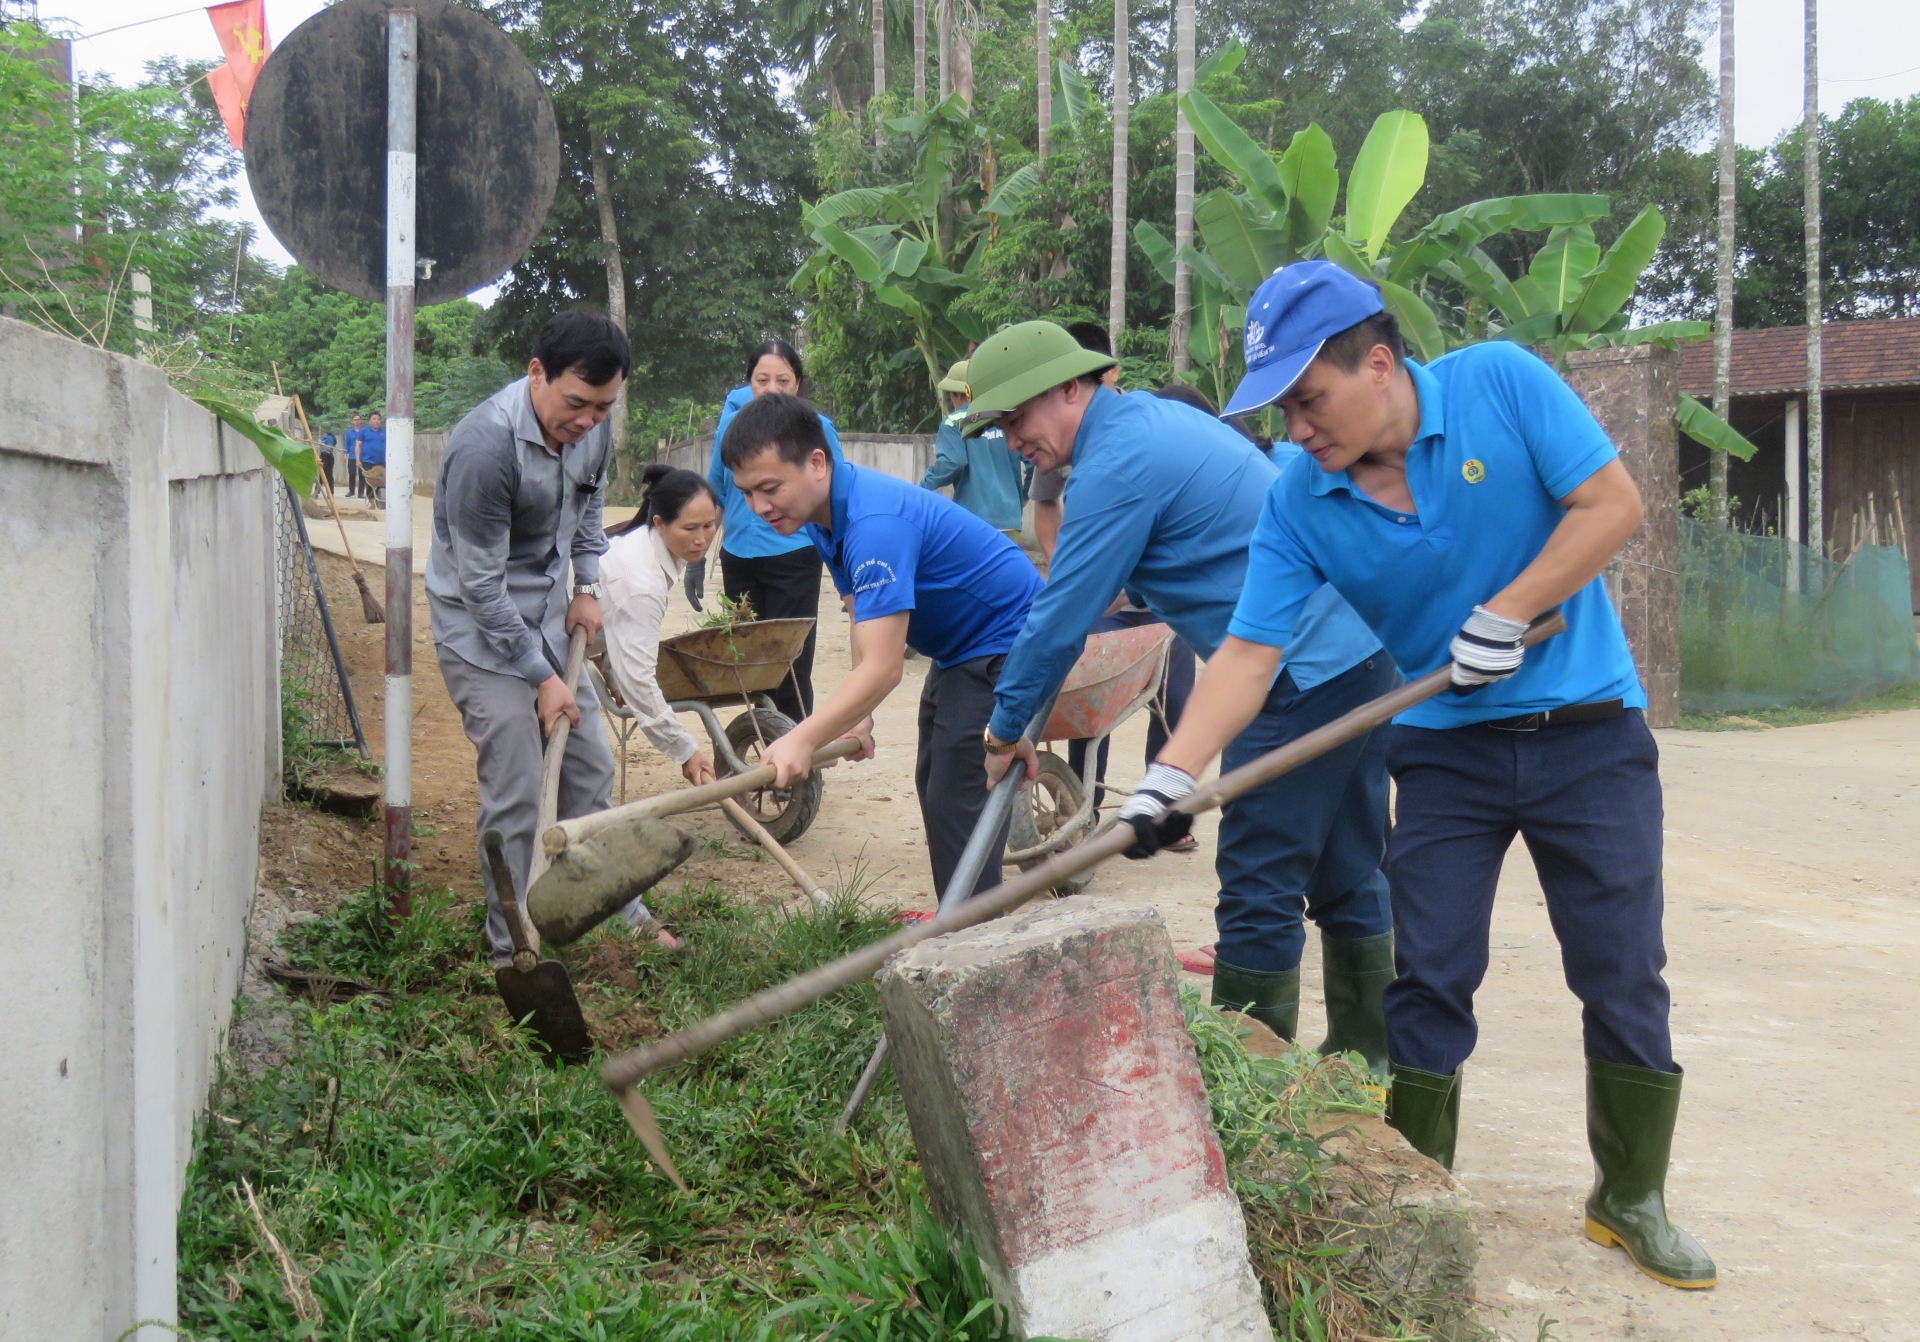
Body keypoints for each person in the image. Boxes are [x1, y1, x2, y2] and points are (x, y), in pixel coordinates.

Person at [1130, 260, 1714, 1290]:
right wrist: (1168, 776)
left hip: (1589, 731)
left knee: (1621, 964)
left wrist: (1507, 609)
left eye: (1308, 400)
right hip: (1445, 747)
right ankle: (1418, 1193)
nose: (1296, 429)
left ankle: (1630, 1197)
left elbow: (1610, 504)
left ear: (1378, 364)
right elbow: (1250, 655)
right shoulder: (1300, 499)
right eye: (1281, 411)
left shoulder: (1501, 383)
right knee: (1431, 972)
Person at [963, 321, 1400, 1072]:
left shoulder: (1117, 463)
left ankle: (1249, 1084)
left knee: (1260, 882)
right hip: (1355, 646)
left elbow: (1060, 616)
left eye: (1016, 418)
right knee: (1348, 868)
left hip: (1295, 667)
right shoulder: (1151, 423)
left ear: (1071, 388)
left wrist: (1005, 730)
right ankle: (1369, 1066)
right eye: (999, 426)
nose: (1012, 440)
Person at [722, 392, 1042, 904]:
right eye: (746, 493)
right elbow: (861, 615)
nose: (759, 507)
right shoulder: (824, 516)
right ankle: (961, 921)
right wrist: (859, 716)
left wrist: (803, 738)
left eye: (770, 488)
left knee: (958, 795)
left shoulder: (873, 525)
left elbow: (885, 667)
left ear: (817, 463)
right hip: (961, 647)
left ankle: (973, 933)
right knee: (934, 780)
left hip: (1010, 640)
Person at [426, 308, 627, 968]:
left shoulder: (593, 428)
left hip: (546, 619)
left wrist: (587, 585)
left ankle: (587, 910)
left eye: (603, 407)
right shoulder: (486, 449)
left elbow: (590, 510)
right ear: (537, 372)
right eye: (577, 403)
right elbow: (481, 589)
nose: (588, 421)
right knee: (517, 789)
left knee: (590, 768)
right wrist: (541, 678)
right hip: (479, 633)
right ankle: (512, 947)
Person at [704, 339, 845, 722]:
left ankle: (797, 744)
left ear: (797, 383)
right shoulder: (730, 427)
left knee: (790, 664)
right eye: (762, 380)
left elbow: (837, 493)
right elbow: (715, 489)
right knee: (751, 665)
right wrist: (697, 558)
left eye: (782, 380)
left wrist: (843, 558)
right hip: (738, 558)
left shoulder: (817, 430)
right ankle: (766, 737)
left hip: (794, 558)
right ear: (749, 382)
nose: (772, 389)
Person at [600, 464, 722, 791]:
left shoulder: (649, 545)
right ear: (659, 523)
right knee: (589, 766)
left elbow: (612, 619)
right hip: (537, 647)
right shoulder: (640, 583)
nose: (701, 539)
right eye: (690, 528)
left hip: (570, 642)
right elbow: (639, 679)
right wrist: (685, 750)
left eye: (709, 525)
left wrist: (613, 676)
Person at [1024, 321, 1121, 559]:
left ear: (1114, 371)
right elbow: (1045, 502)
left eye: (1095, 378)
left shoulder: (1143, 424)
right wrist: (1060, 565)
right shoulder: (1056, 436)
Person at [920, 359, 1027, 539]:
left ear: (957, 395)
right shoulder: (1004, 417)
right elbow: (1031, 464)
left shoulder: (954, 422)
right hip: (1010, 521)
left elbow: (953, 461)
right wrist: (1023, 497)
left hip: (971, 520)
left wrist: (924, 487)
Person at [357, 411, 388, 505]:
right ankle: (371, 500)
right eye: (374, 419)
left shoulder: (384, 432)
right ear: (369, 421)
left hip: (381, 461)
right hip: (368, 460)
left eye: (378, 419)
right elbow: (358, 445)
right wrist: (358, 459)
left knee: (381, 481)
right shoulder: (364, 432)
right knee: (370, 481)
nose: (376, 421)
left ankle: (379, 498)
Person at [343, 413, 366, 497]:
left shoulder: (364, 431)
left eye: (358, 419)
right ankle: (351, 491)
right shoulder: (349, 432)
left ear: (361, 421)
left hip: (363, 456)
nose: (357, 421)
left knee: (362, 475)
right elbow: (347, 443)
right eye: (355, 420)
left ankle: (361, 493)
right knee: (352, 473)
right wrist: (345, 454)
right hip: (352, 455)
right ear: (352, 421)